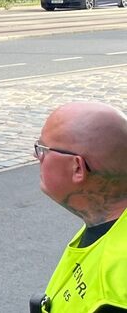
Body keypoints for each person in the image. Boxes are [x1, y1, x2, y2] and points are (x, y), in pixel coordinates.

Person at [32, 102, 127, 313]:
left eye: (43, 149)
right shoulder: (104, 223)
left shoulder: (112, 291)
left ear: (77, 168)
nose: (36, 157)